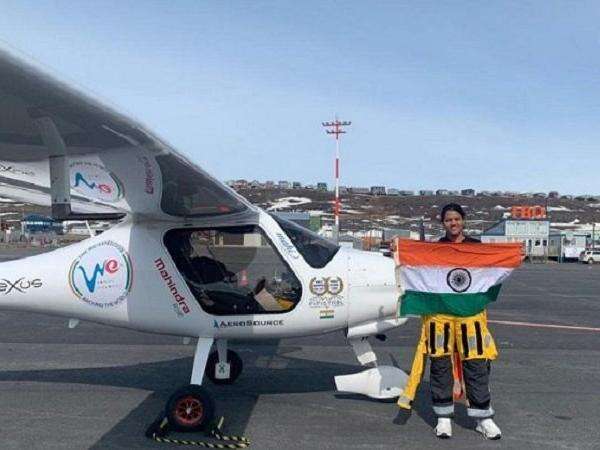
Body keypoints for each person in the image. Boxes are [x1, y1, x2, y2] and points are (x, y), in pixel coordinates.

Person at [429, 203, 501, 439]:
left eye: (456, 219)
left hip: (471, 317)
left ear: (463, 220)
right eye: (448, 220)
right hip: (440, 316)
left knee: (476, 364)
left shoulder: (476, 247)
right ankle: (443, 417)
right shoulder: (435, 249)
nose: (453, 223)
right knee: (440, 364)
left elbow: (494, 269)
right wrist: (398, 251)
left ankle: (483, 418)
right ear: (443, 223)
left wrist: (514, 257)